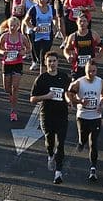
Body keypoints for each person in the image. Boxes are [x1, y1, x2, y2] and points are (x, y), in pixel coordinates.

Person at [31, 52, 74, 181]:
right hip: (47, 115)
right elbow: (32, 99)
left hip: (61, 115)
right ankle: (50, 155)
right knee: (50, 142)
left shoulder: (64, 77)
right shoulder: (41, 78)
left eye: (54, 61)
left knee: (60, 144)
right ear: (45, 63)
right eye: (49, 61)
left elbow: (68, 93)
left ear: (58, 62)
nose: (52, 63)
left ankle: (58, 172)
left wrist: (69, 101)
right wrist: (46, 96)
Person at [68, 58, 103, 182]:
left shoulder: (101, 82)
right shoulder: (79, 83)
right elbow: (69, 95)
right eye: (89, 71)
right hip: (83, 116)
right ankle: (80, 142)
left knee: (93, 142)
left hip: (95, 116)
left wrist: (101, 105)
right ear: (85, 70)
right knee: (83, 138)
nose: (91, 73)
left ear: (96, 71)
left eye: (93, 71)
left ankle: (93, 168)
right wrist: (79, 101)